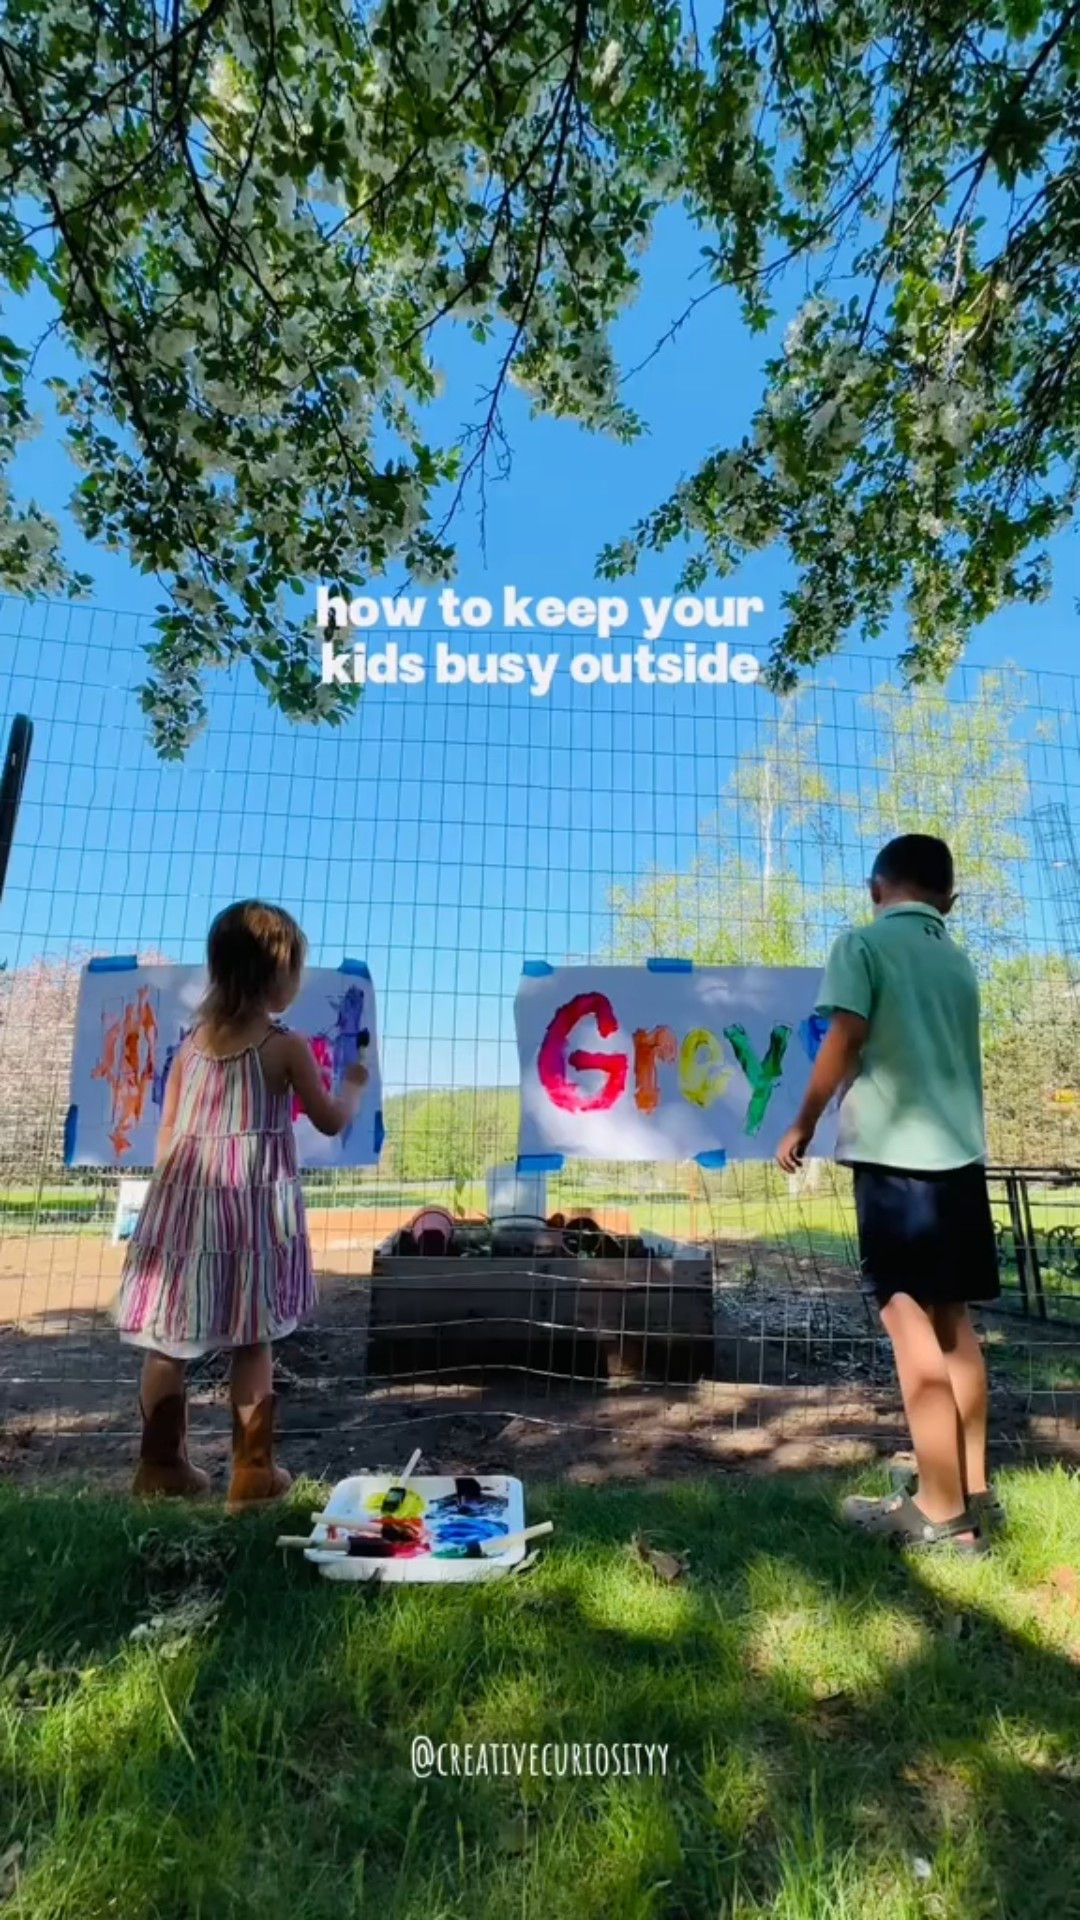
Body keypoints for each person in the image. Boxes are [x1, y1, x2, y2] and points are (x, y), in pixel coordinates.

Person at [777, 834, 1001, 1554]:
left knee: (906, 1319)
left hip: (894, 1162)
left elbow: (845, 1035)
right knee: (953, 1323)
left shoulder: (862, 945)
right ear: (949, 901)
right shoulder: (957, 961)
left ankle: (938, 1511)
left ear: (877, 891)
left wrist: (804, 1120)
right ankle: (973, 1491)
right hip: (961, 1163)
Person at [115, 900, 368, 1509]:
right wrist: (354, 1084)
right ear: (276, 975)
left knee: (166, 1342)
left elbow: (168, 1133)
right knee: (253, 1341)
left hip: (182, 1212)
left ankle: (160, 1466)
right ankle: (252, 1475)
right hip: (252, 1219)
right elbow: (330, 1120)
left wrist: (171, 1206)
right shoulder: (285, 1047)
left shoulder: (192, 1048)